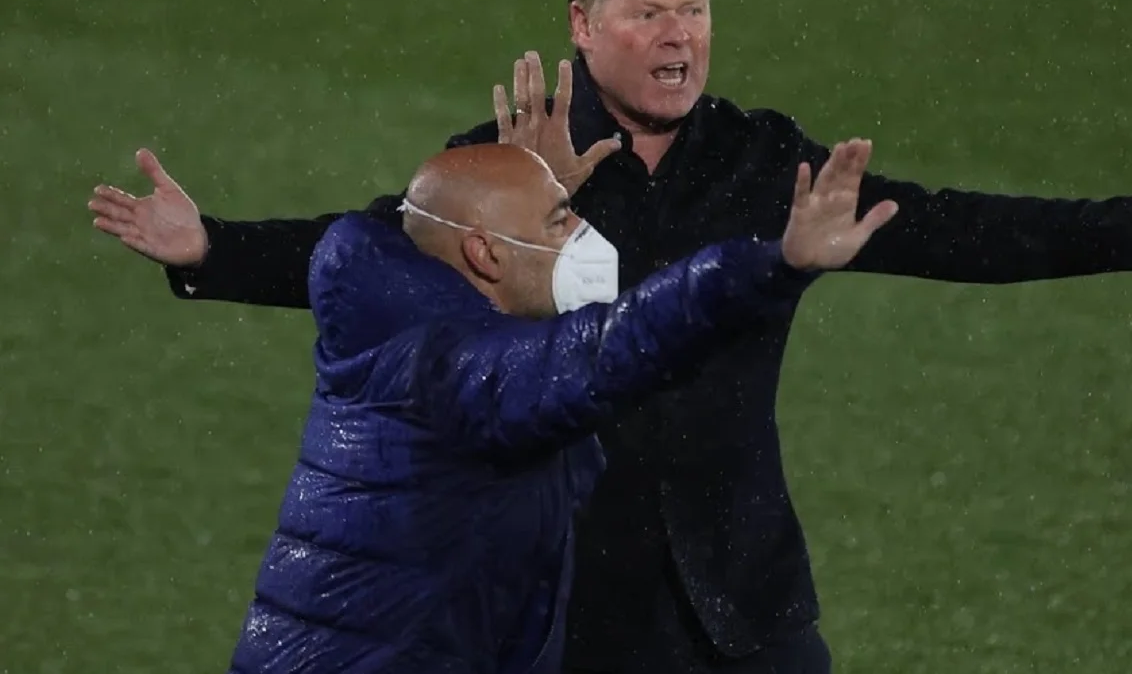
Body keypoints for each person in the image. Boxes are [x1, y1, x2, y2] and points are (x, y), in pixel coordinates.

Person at [88, 0, 1132, 673]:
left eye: (696, 11)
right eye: (649, 12)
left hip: (741, 588)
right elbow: (377, 254)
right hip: (569, 594)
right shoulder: (514, 163)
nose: (679, 36)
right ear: (583, 23)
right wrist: (212, 249)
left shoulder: (764, 160)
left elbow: (944, 226)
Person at [227, 136, 897, 674]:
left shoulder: (401, 310)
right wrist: (769, 266)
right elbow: (611, 347)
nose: (583, 231)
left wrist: (528, 190)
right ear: (486, 253)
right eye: (559, 218)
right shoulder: (464, 375)